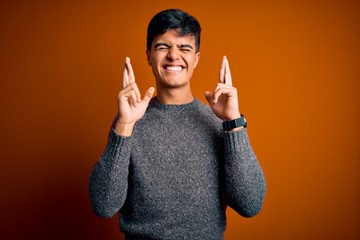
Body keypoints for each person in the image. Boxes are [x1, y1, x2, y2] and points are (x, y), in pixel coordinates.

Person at [89, 8, 266, 240]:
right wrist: (124, 125)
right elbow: (103, 206)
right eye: (163, 47)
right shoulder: (129, 122)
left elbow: (250, 204)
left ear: (196, 58)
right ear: (148, 55)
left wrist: (234, 124)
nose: (174, 56)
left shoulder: (220, 124)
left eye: (184, 48)